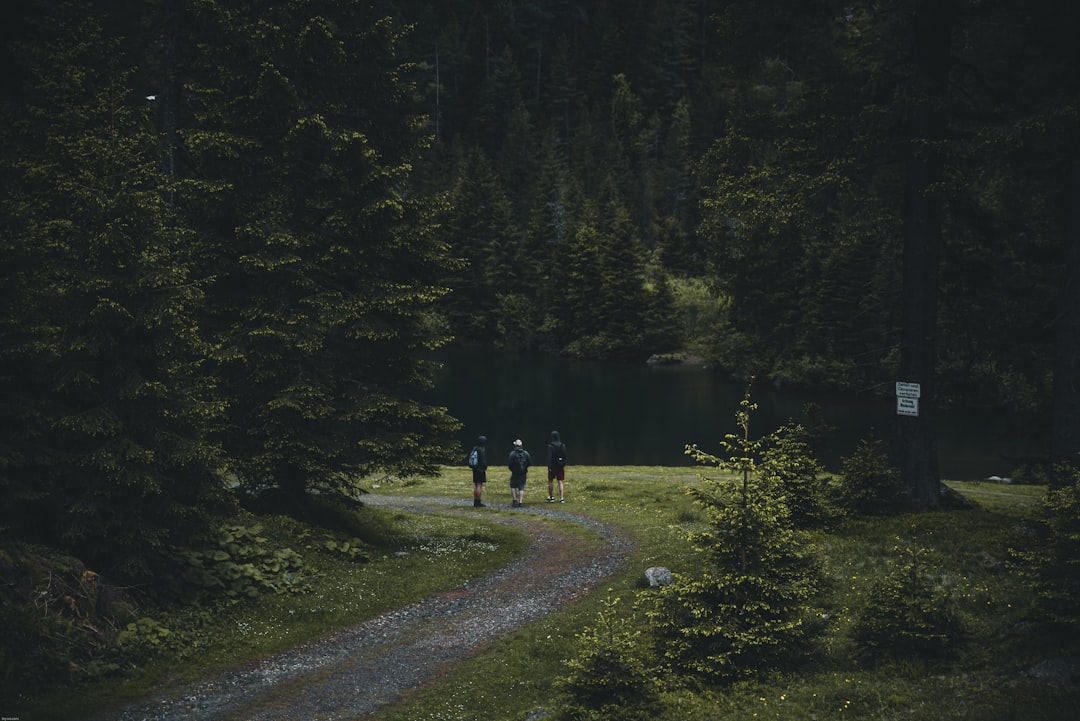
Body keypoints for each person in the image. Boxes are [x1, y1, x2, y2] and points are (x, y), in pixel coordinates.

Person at [508, 439, 531, 507]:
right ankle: (520, 502)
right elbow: (529, 463)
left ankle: (514, 500)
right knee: (521, 487)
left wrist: (512, 470)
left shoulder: (512, 454)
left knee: (513, 486)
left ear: (515, 445)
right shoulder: (526, 453)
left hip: (514, 473)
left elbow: (510, 464)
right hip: (523, 473)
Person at [546, 430, 567, 503]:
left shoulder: (550, 446)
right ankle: (561, 498)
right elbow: (565, 456)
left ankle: (551, 498)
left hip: (553, 466)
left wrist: (549, 467)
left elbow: (549, 457)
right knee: (560, 481)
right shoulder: (562, 445)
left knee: (550, 481)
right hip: (560, 466)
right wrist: (563, 464)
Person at [469, 435, 488, 507]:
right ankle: (478, 501)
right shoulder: (481, 449)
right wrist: (485, 466)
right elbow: (483, 461)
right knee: (479, 485)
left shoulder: (475, 448)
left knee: (476, 485)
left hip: (475, 468)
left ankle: (475, 500)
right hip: (480, 469)